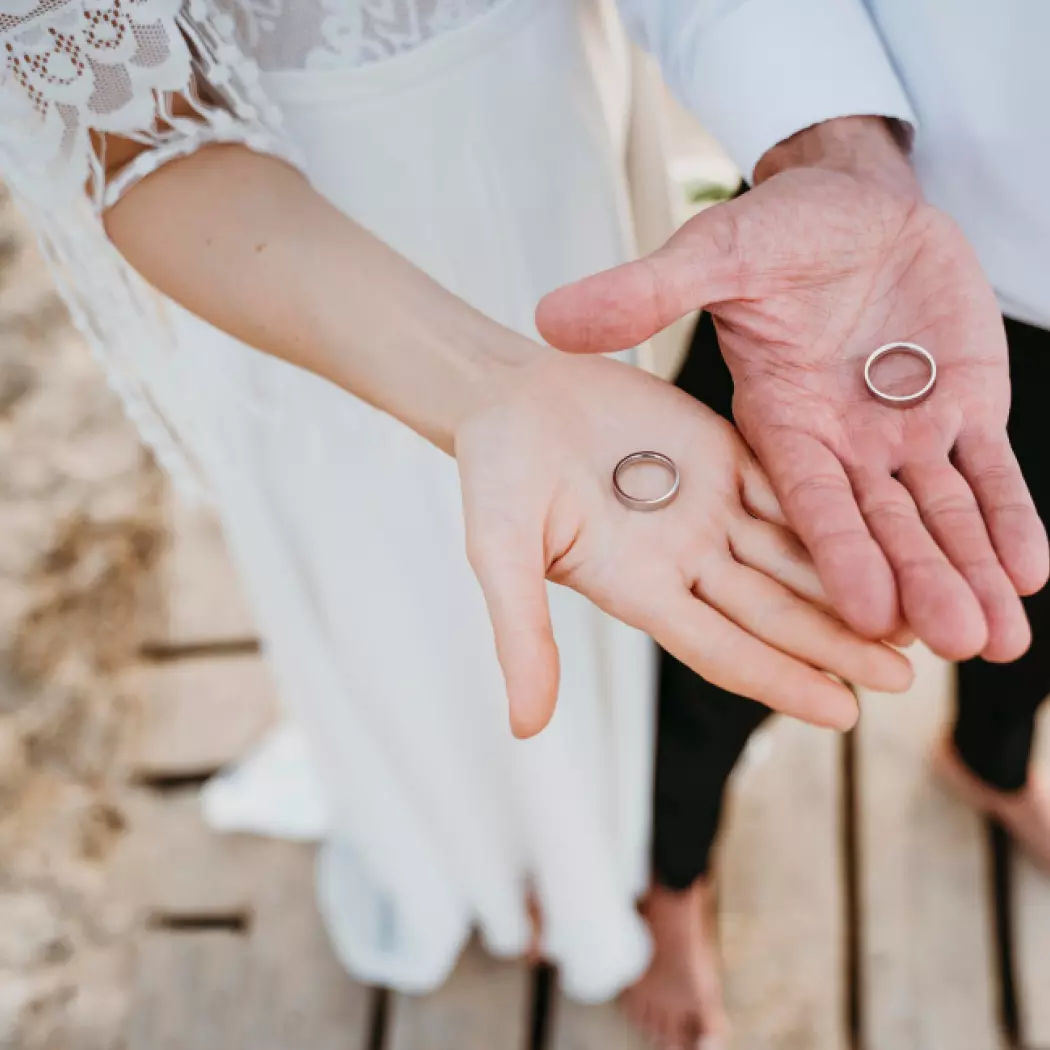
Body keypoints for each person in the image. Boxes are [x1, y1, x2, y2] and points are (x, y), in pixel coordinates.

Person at [0, 0, 913, 1008]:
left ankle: (632, 849)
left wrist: (834, 153)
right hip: (311, 273)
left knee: (624, 552)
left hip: (556, 144)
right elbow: (137, 138)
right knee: (419, 574)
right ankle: (500, 850)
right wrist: (485, 389)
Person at [539, 2, 1050, 1046]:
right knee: (734, 617)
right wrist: (831, 142)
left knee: (1028, 607)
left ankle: (992, 761)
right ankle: (673, 876)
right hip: (878, 262)